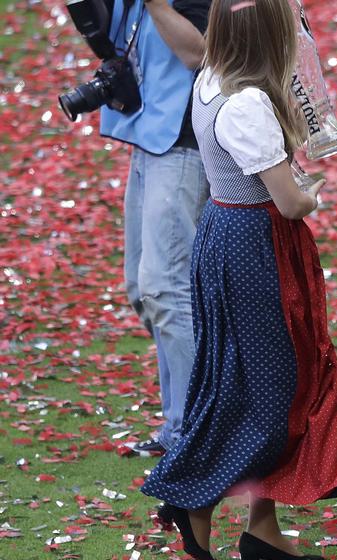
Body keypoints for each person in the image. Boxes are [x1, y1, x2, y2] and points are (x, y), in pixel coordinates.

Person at [140, 0, 337, 560]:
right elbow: (288, 201)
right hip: (257, 242)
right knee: (273, 388)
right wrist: (314, 192)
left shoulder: (213, 75)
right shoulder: (249, 102)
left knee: (242, 375)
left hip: (227, 232)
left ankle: (263, 526)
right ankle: (196, 496)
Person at [96, 0, 211, 457]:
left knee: (166, 289)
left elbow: (200, 54)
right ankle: (182, 424)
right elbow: (109, 43)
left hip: (183, 144)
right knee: (141, 290)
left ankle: (191, 434)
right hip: (148, 138)